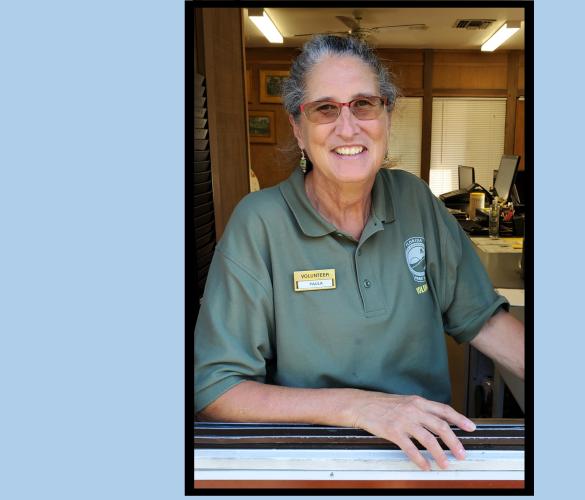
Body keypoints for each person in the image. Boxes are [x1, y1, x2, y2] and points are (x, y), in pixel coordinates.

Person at [194, 35, 524, 472]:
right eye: (325, 108)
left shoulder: (415, 200)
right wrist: (358, 408)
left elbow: (483, 319)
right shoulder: (260, 223)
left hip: (424, 458)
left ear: (387, 114)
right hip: (310, 462)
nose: (347, 128)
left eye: (364, 104)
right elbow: (216, 390)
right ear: (298, 125)